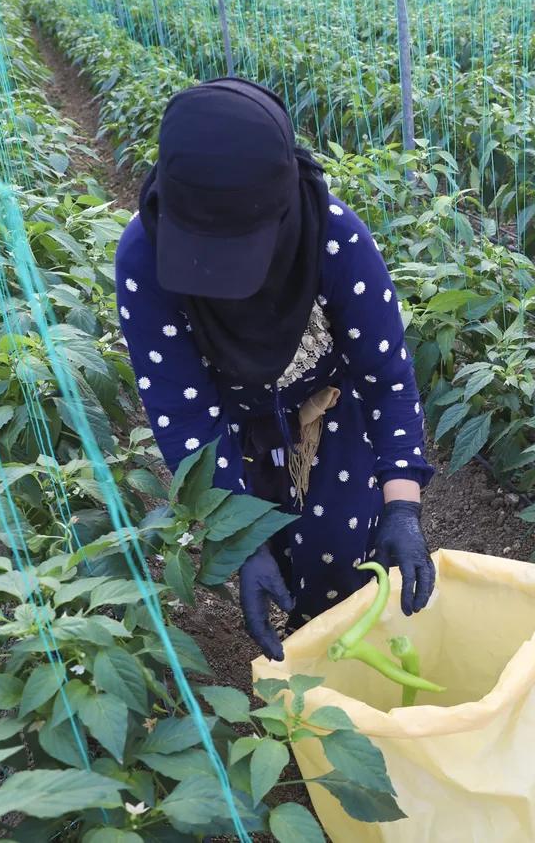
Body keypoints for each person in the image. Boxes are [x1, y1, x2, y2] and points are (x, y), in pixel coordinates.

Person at [115, 78, 435, 661]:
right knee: (273, 553)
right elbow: (185, 414)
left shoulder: (334, 240)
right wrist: (239, 543)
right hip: (232, 428)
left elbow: (386, 379)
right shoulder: (146, 257)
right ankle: (302, 676)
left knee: (346, 551)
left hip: (330, 409)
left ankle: (349, 667)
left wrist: (403, 508)